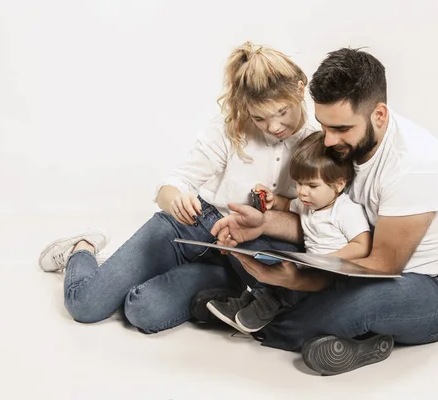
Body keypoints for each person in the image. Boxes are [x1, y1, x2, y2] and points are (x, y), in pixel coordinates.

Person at [209, 47, 438, 376]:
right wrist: (263, 223)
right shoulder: (342, 145)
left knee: (361, 303)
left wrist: (302, 281)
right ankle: (303, 321)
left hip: (432, 289)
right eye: (324, 125)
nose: (327, 140)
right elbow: (321, 224)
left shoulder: (414, 165)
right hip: (357, 265)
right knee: (260, 249)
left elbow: (383, 266)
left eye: (341, 128)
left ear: (378, 115)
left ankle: (272, 323)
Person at [37, 41, 317, 333]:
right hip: (191, 225)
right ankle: (81, 248)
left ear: (299, 89)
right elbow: (172, 185)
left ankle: (135, 274)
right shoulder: (231, 128)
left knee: (144, 311)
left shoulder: (318, 145)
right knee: (86, 305)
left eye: (282, 112)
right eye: (260, 117)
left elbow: (313, 221)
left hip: (237, 253)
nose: (273, 126)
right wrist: (176, 201)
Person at [206, 131, 372, 333]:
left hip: (336, 275)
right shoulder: (307, 205)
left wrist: (329, 259)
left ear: (339, 184)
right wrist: (272, 199)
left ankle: (268, 305)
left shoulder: (346, 210)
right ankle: (249, 301)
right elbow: (286, 205)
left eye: (312, 185)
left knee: (292, 286)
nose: (302, 192)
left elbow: (362, 245)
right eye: (299, 183)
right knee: (280, 269)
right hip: (311, 266)